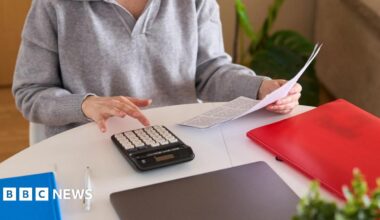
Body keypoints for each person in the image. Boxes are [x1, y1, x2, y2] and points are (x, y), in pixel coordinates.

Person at [12, 0, 302, 139]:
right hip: (85, 146)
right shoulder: (53, 6)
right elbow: (30, 92)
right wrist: (86, 104)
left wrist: (261, 88)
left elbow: (210, 70)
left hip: (174, 140)